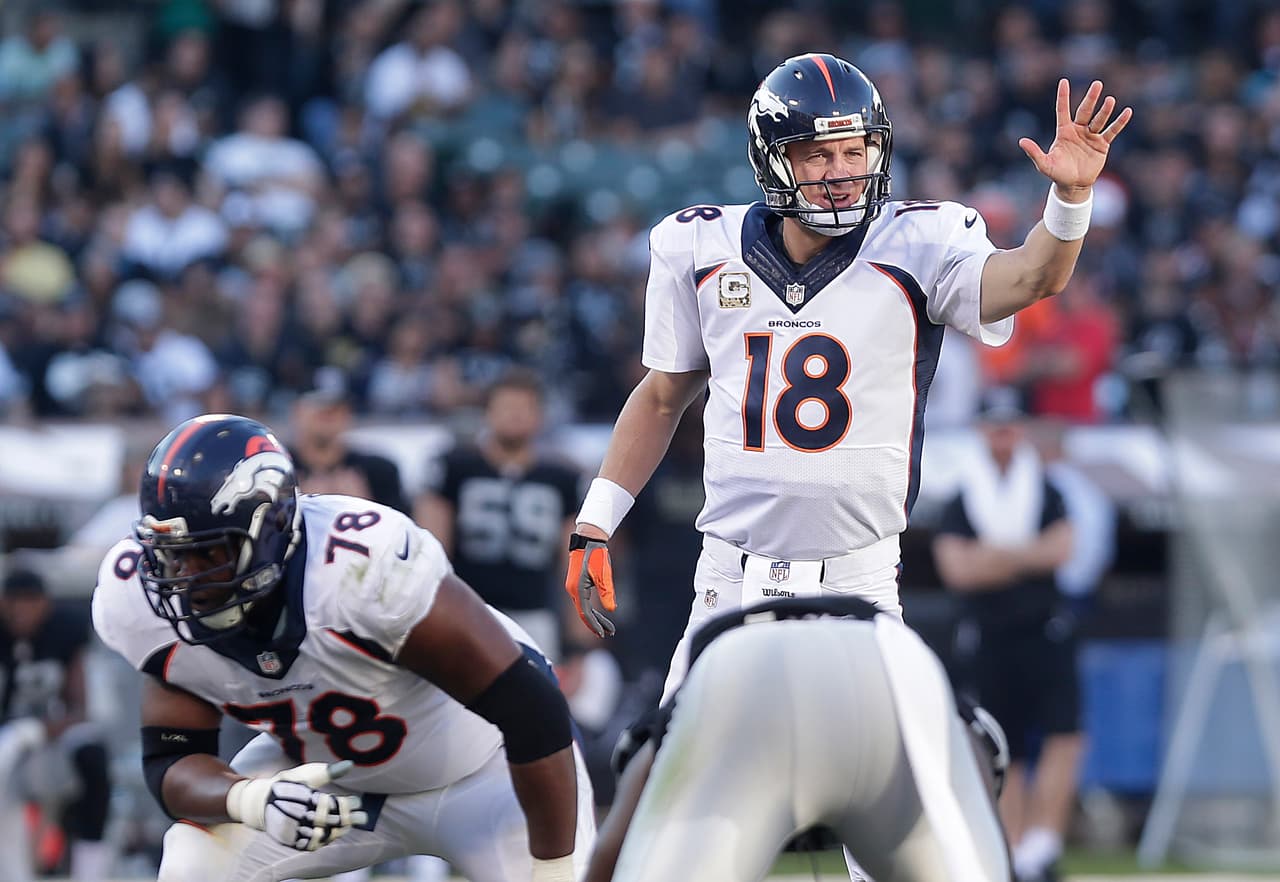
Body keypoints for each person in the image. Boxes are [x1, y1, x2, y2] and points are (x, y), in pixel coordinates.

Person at [562, 52, 1133, 707]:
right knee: (666, 761)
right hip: (729, 579)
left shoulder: (920, 241)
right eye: (817, 155)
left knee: (899, 768)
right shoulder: (698, 246)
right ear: (771, 160)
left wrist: (1070, 199)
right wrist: (596, 521)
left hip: (859, 583)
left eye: (854, 151)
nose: (840, 173)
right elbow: (663, 398)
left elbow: (1033, 276)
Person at [91, 414, 594, 882]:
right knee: (193, 862)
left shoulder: (358, 568)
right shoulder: (143, 601)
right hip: (334, 783)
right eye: (172, 556)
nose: (186, 577)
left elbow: (532, 709)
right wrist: (251, 798)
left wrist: (553, 868)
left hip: (486, 774)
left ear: (269, 532)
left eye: (207, 552)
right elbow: (170, 760)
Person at [583, 595, 1012, 882]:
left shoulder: (708, 680)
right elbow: (977, 751)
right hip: (886, 674)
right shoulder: (909, 663)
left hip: (741, 690)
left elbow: (612, 846)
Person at [931, 392, 1080, 882]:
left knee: (1063, 732)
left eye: (1010, 425)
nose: (1003, 436)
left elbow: (1062, 549)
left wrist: (994, 556)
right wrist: (1025, 555)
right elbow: (957, 569)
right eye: (994, 426)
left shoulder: (1046, 489)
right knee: (1003, 743)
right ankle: (1011, 848)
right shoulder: (964, 495)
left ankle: (1043, 844)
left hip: (1046, 629)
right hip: (990, 635)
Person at [417, 369, 581, 660]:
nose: (515, 416)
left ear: (540, 417)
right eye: (506, 407)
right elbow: (431, 549)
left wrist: (579, 642)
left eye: (524, 408)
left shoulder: (562, 477)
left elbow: (575, 563)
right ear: (487, 413)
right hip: (468, 608)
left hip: (533, 613)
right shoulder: (455, 467)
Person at [0, 569, 112, 882]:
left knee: (92, 756)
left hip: (52, 732)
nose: (22, 610)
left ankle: (90, 871)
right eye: (14, 601)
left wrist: (40, 729)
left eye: (30, 601)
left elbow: (80, 707)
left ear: (45, 604)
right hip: (5, 737)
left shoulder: (65, 629)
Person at [289, 377, 411, 515]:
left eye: (337, 409)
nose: (330, 414)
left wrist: (363, 509)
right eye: (319, 409)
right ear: (297, 412)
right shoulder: (278, 469)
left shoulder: (379, 471)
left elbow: (403, 526)